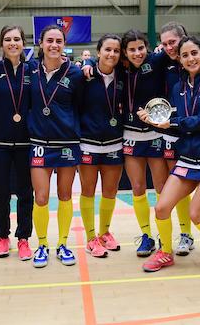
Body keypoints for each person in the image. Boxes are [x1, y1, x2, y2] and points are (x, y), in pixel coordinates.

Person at [138, 35, 200, 276]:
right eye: (185, 55)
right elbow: (175, 123)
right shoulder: (177, 88)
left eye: (194, 53)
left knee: (196, 213)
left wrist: (175, 122)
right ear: (179, 61)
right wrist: (154, 122)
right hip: (189, 157)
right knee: (161, 208)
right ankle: (165, 253)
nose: (190, 58)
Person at [158, 22, 200, 256]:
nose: (169, 48)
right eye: (164, 44)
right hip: (181, 141)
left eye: (173, 42)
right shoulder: (167, 69)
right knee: (169, 197)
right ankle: (179, 239)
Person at [29, 25, 85, 268]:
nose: (54, 45)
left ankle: (63, 244)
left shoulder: (76, 74)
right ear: (40, 43)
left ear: (64, 44)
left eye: (58, 40)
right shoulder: (30, 71)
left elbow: (82, 106)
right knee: (41, 197)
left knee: (64, 195)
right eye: (49, 40)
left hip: (67, 143)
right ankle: (42, 245)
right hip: (39, 142)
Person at [120, 29, 170, 257]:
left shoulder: (157, 60)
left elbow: (176, 51)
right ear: (125, 52)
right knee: (138, 188)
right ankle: (146, 236)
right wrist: (88, 62)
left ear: (147, 47)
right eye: (132, 49)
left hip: (155, 134)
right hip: (130, 134)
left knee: (161, 188)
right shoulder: (121, 66)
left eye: (141, 48)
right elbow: (99, 59)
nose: (137, 53)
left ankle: (163, 234)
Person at [0, 25, 34, 261]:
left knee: (26, 192)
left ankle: (24, 238)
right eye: (7, 39)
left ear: (23, 42)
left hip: (26, 142)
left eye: (17, 39)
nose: (12, 43)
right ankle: (2, 236)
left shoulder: (32, 69)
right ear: (2, 43)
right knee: (2, 192)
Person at [78, 34, 124, 258]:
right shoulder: (84, 75)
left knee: (110, 192)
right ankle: (90, 237)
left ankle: (105, 232)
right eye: (107, 49)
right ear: (98, 52)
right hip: (88, 143)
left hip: (114, 143)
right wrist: (85, 64)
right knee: (88, 191)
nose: (112, 54)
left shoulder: (123, 76)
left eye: (116, 50)